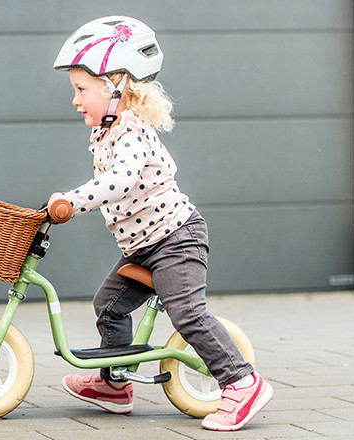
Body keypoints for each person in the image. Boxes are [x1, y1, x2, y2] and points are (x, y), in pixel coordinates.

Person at [47, 16, 272, 431]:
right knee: (109, 306)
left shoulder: (130, 131)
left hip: (176, 239)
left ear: (116, 86)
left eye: (81, 90)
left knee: (186, 311)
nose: (75, 100)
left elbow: (120, 181)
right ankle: (114, 385)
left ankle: (242, 381)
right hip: (142, 248)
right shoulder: (106, 132)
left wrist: (71, 201)